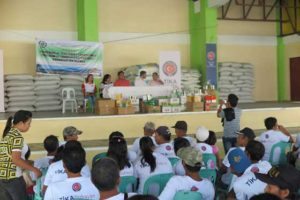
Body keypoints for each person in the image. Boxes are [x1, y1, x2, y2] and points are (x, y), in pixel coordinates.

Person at [0, 110, 41, 200]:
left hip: (2, 179)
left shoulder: (8, 135)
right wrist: (35, 170)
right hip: (14, 179)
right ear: (21, 123)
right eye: (28, 123)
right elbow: (16, 160)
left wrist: (29, 163)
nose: (29, 126)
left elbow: (10, 158)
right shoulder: (17, 136)